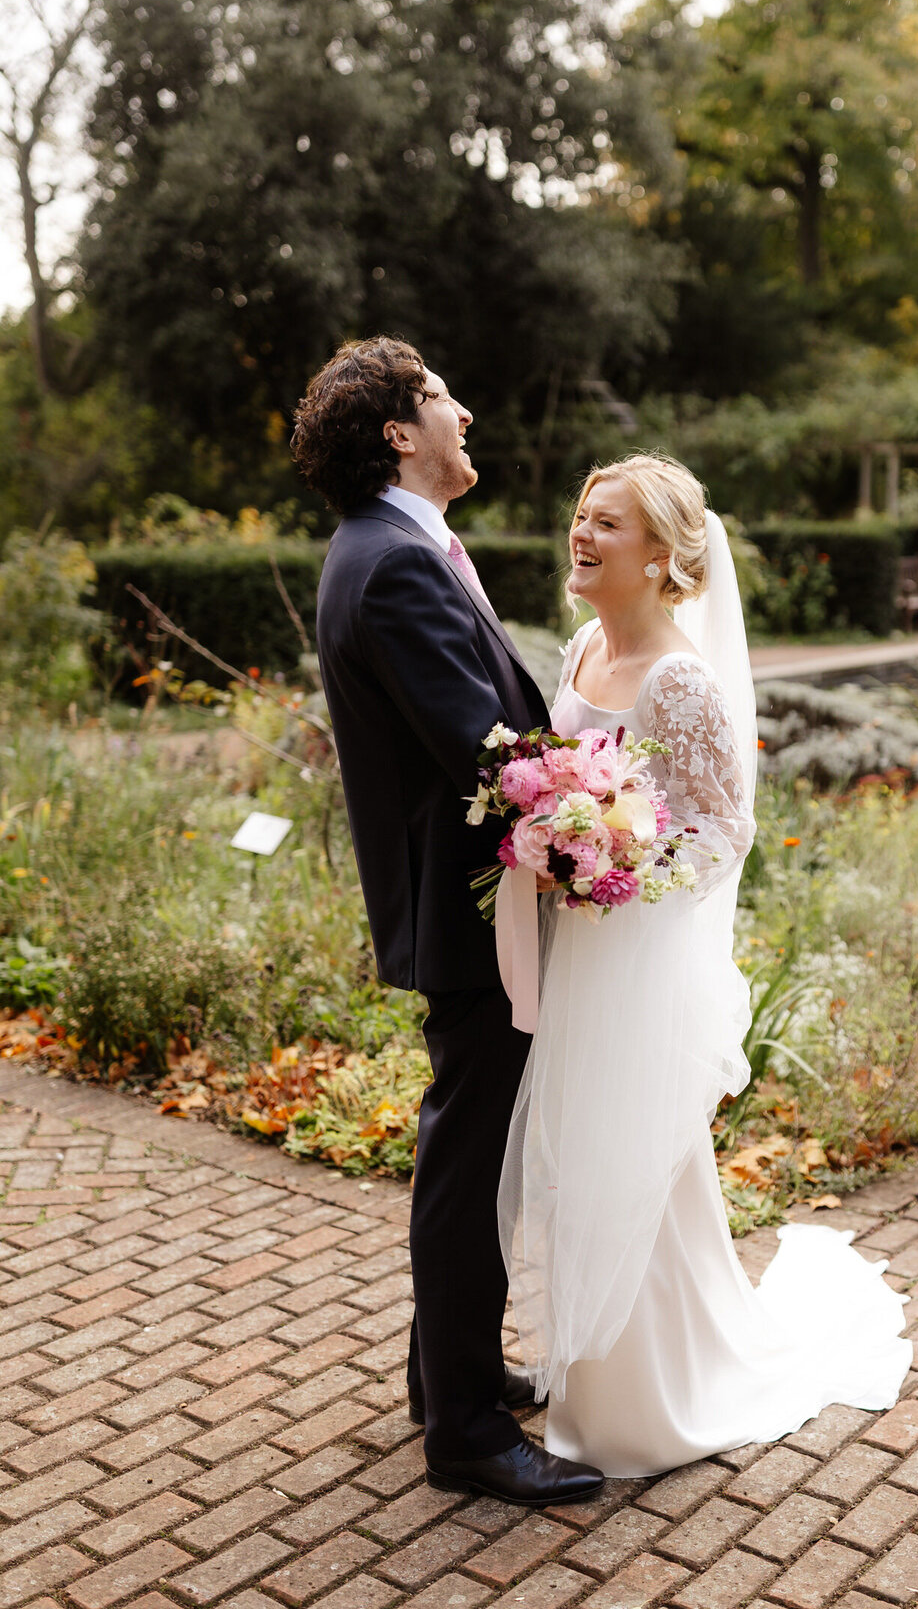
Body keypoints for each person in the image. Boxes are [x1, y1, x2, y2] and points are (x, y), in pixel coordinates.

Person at [499, 454, 912, 1477]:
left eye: (608, 524)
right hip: (574, 948)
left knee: (632, 1160)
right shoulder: (586, 646)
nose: (582, 536)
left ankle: (649, 1401)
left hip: (633, 954)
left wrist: (617, 868)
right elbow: (563, 776)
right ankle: (609, 1370)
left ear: (663, 557)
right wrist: (556, 836)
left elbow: (728, 827)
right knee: (585, 1159)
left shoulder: (681, 678)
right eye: (581, 515)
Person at [292, 335, 603, 1506]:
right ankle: (467, 1432)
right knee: (465, 1169)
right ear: (397, 432)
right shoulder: (394, 561)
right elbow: (478, 749)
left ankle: (446, 1373)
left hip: (471, 904)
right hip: (474, 911)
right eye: (441, 399)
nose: (464, 412)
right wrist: (601, 815)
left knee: (464, 1155)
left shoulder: (391, 547)